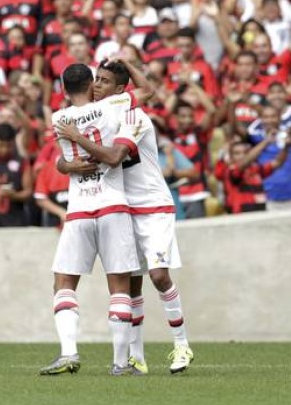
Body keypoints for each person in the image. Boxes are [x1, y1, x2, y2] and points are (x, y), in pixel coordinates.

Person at [57, 59, 194, 374]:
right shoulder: (97, 118)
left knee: (159, 276)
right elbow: (63, 159)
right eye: (96, 80)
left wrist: (77, 138)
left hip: (153, 205)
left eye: (104, 81)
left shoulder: (134, 117)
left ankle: (181, 344)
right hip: (121, 207)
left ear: (120, 90)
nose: (97, 86)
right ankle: (137, 357)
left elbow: (116, 158)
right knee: (130, 285)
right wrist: (65, 164)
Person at [40, 64, 140, 377]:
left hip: (80, 207)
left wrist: (66, 165)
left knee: (64, 281)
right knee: (120, 285)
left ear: (62, 87)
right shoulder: (113, 105)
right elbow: (144, 92)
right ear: (92, 84)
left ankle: (69, 352)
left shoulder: (59, 119)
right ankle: (120, 363)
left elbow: (61, 159)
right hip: (112, 204)